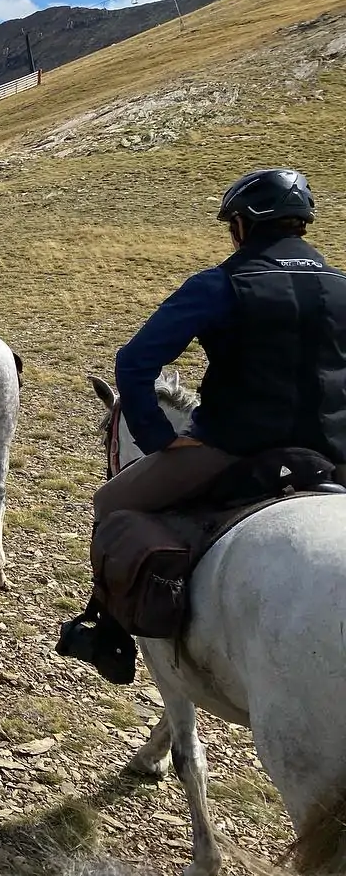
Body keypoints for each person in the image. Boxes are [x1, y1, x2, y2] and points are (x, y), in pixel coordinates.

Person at [57, 167, 346, 682]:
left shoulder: (220, 284)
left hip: (233, 445)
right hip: (335, 447)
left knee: (110, 502)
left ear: (242, 225)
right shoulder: (341, 286)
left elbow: (136, 363)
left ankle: (110, 632)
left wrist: (161, 439)